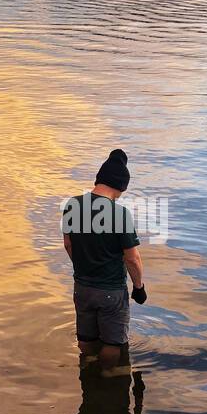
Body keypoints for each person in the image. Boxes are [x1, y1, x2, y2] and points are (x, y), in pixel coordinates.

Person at [61, 149, 146, 376]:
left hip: (82, 288)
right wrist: (139, 287)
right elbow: (132, 258)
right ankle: (106, 375)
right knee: (113, 343)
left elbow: (68, 244)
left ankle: (88, 364)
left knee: (86, 338)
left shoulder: (72, 205)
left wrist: (84, 265)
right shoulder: (119, 214)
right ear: (120, 186)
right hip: (111, 291)